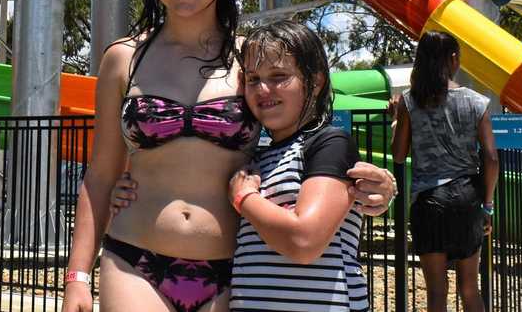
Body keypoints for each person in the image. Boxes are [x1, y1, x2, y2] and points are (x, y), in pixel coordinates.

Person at [62, 0, 395, 312]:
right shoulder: (122, 58)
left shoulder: (251, 61)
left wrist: (375, 185)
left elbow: (301, 139)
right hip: (134, 259)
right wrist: (77, 276)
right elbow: (100, 175)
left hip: (232, 271)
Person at [114, 20, 374, 310]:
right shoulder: (258, 159)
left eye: (279, 76)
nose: (263, 89)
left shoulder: (328, 144)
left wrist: (243, 198)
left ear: (316, 82)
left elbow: (304, 241)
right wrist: (121, 189)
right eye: (252, 79)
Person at [391, 31, 499, 312]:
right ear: (453, 59)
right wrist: (487, 207)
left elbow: (399, 155)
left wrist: (396, 120)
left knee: (437, 293)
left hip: (428, 202)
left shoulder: (409, 101)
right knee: (470, 288)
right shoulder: (477, 102)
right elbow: (490, 158)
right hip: (467, 198)